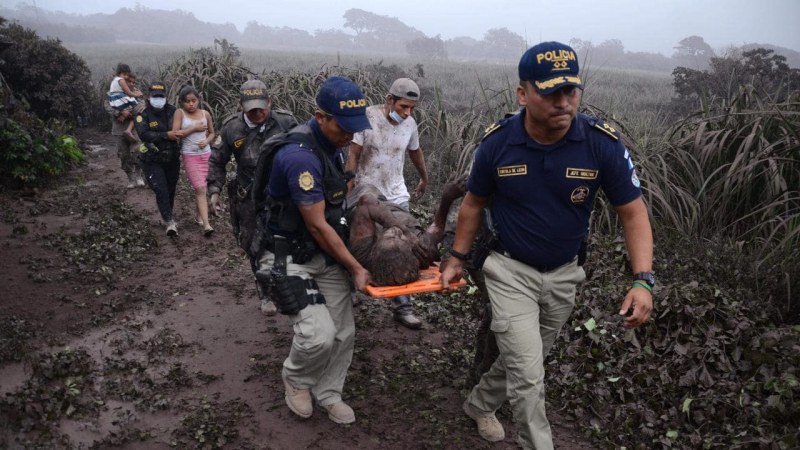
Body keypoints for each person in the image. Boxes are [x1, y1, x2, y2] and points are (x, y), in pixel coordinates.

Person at [439, 41, 654, 449]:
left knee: (526, 360)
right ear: (522, 94)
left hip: (564, 274)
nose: (563, 101)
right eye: (550, 91)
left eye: (570, 91)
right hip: (508, 270)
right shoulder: (498, 144)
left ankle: (480, 403)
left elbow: (633, 213)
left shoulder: (601, 144)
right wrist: (456, 258)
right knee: (529, 375)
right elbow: (472, 205)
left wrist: (643, 280)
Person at [253, 76, 371, 425]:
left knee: (344, 332)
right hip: (288, 255)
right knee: (317, 335)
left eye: (354, 128)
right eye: (343, 127)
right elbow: (318, 224)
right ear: (321, 117)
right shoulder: (299, 157)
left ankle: (329, 392)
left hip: (323, 253)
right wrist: (356, 267)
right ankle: (296, 380)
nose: (350, 135)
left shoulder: (332, 146)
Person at [208, 79, 298, 315]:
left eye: (261, 107)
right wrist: (214, 191)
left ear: (269, 102)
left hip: (282, 193)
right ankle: (265, 293)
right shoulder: (231, 129)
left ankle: (290, 284)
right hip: (248, 195)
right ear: (241, 106)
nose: (258, 113)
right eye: (251, 109)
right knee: (254, 244)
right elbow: (217, 161)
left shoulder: (286, 122)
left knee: (287, 240)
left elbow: (303, 151)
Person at [346, 77, 429, 329]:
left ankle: (403, 306)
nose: (407, 113)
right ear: (389, 100)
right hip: (367, 192)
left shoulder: (410, 124)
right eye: (403, 107)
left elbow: (415, 151)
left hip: (395, 193)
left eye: (412, 108)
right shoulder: (367, 117)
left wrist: (424, 176)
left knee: (401, 247)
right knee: (359, 243)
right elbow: (354, 153)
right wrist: (348, 185)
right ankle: (349, 290)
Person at [134, 81, 181, 236]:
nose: (158, 99)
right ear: (149, 97)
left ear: (165, 97)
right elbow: (144, 134)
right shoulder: (143, 114)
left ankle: (167, 215)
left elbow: (182, 128)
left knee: (170, 188)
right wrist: (166, 135)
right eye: (155, 96)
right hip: (152, 159)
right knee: (161, 189)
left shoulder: (173, 112)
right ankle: (169, 221)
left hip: (172, 158)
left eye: (161, 96)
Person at [172, 85, 216, 236]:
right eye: (187, 101)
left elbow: (212, 133)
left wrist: (207, 141)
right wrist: (193, 129)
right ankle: (207, 225)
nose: (191, 104)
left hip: (206, 155)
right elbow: (176, 133)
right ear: (182, 103)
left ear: (198, 100)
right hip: (190, 155)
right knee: (200, 188)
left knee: (204, 187)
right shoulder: (180, 113)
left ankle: (199, 216)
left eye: (193, 100)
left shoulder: (205, 114)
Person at [107, 63, 144, 143]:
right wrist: (120, 112)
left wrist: (129, 111)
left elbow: (141, 108)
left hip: (135, 131)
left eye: (133, 82)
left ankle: (129, 130)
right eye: (129, 81)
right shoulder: (112, 93)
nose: (131, 84)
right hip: (119, 129)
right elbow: (108, 106)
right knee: (122, 153)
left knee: (136, 151)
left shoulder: (138, 94)